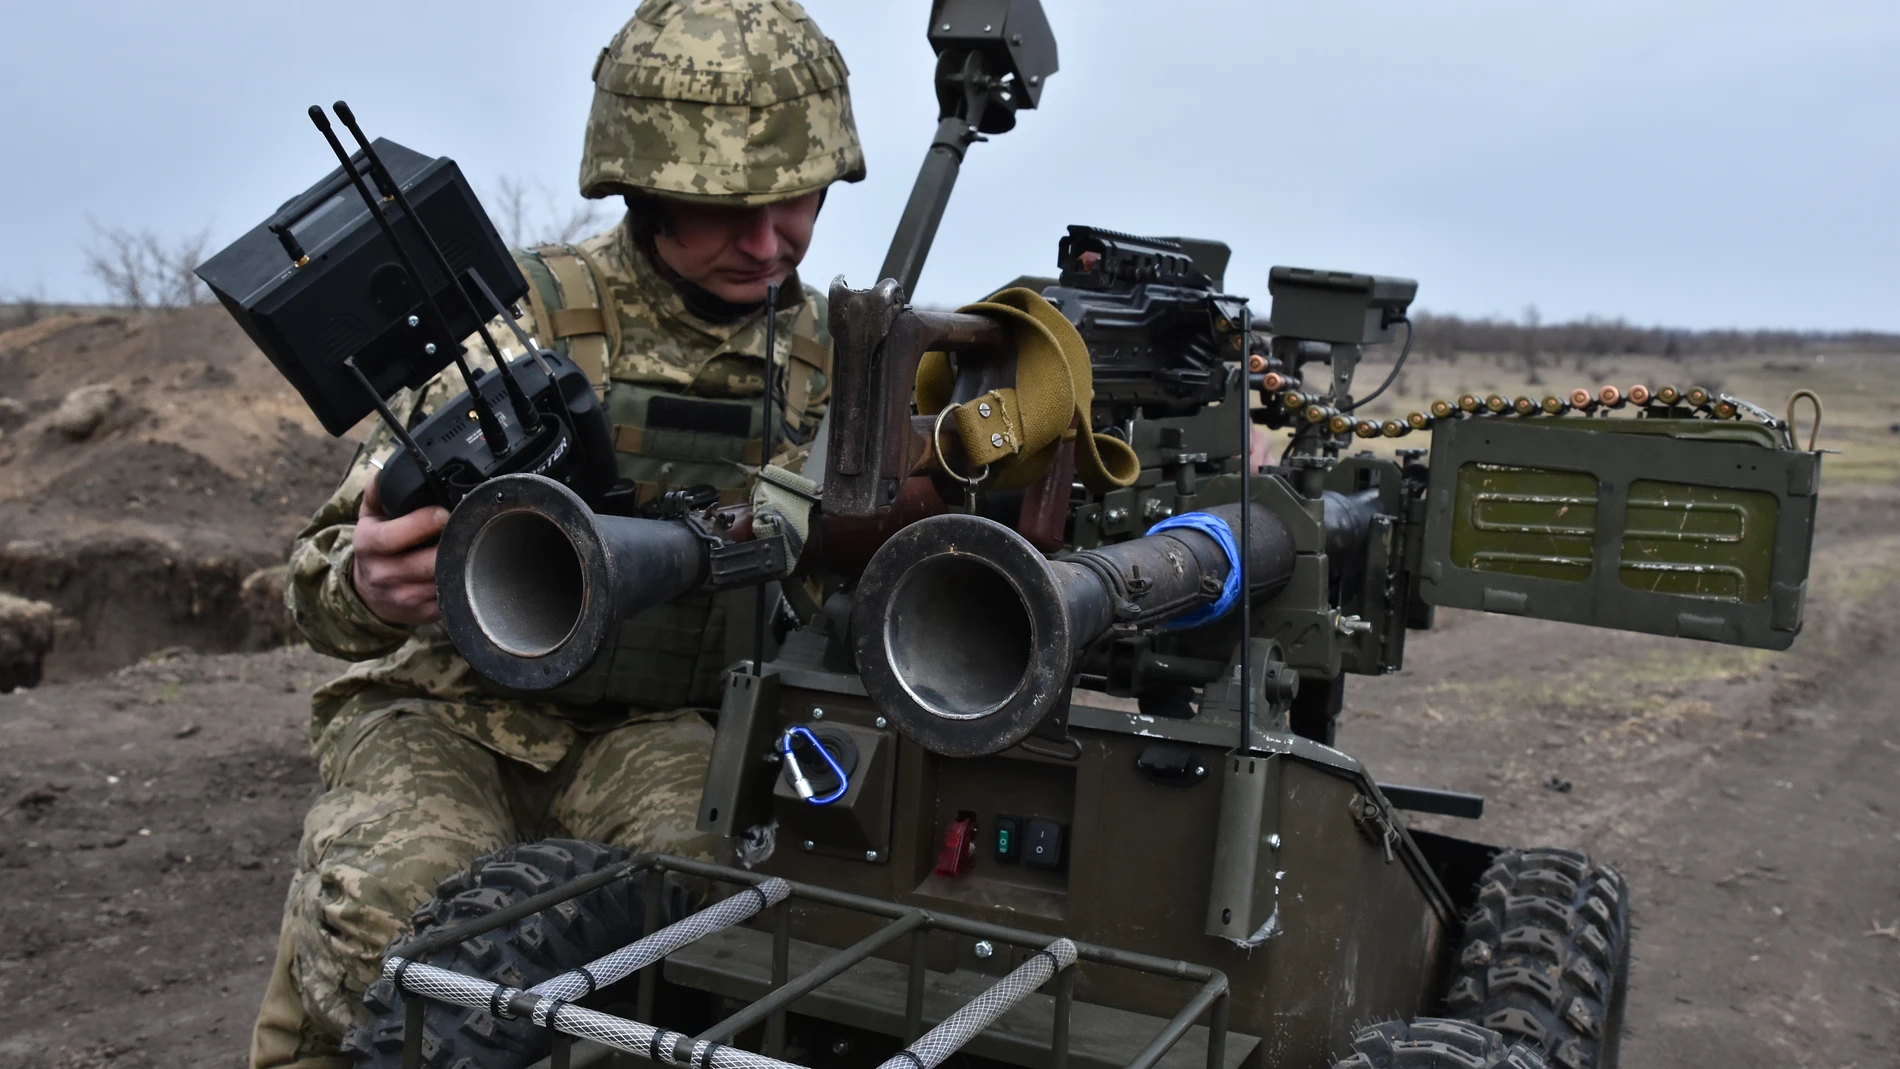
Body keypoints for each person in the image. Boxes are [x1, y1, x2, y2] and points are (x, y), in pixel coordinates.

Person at [249, 2, 864, 1065]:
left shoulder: (842, 365)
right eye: (721, 209)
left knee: (719, 926)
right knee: (387, 923)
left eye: (795, 199)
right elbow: (314, 583)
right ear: (639, 188)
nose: (766, 243)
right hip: (454, 714)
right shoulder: (518, 322)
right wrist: (369, 582)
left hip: (667, 727)